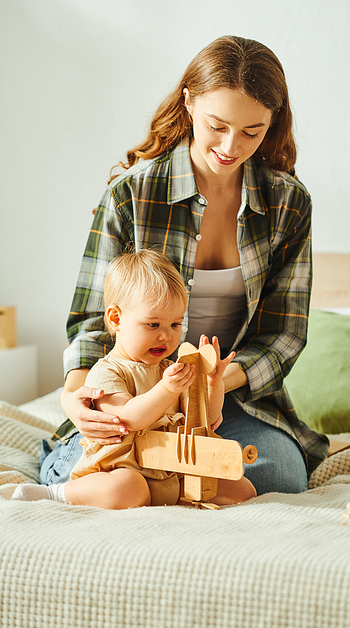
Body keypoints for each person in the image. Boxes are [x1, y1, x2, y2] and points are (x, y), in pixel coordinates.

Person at [39, 34, 329, 496]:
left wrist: (207, 382)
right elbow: (93, 323)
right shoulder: (132, 195)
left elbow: (284, 334)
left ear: (272, 123)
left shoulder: (289, 203)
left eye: (252, 132)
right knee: (103, 468)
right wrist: (77, 401)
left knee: (276, 474)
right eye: (217, 125)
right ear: (189, 103)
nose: (231, 146)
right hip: (129, 393)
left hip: (229, 402)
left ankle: (161, 485)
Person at [13, 250, 256, 508]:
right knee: (129, 489)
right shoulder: (106, 371)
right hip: (124, 468)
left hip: (170, 468)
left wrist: (213, 383)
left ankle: (172, 495)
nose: (166, 336)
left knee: (242, 489)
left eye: (175, 325)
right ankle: (56, 493)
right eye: (153, 325)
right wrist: (166, 388)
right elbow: (129, 418)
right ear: (116, 319)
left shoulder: (169, 369)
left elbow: (204, 416)